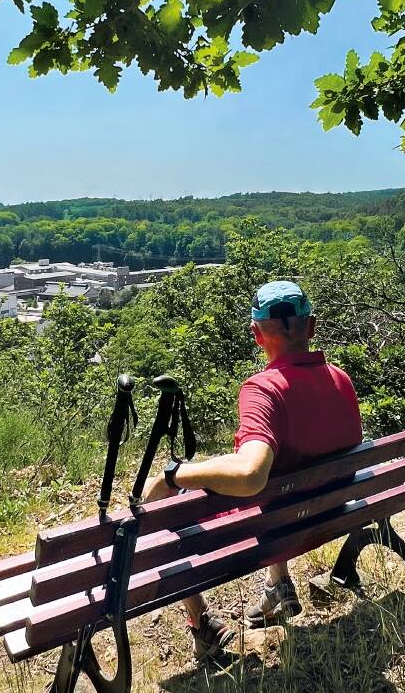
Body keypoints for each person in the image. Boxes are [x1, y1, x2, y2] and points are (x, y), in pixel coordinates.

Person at [143, 280, 363, 661]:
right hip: (328, 514)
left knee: (161, 507)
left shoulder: (264, 389)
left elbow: (251, 475)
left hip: (276, 524)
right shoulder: (339, 380)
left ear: (256, 334)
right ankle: (279, 587)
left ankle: (202, 627)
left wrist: (173, 475)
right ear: (310, 327)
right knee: (280, 479)